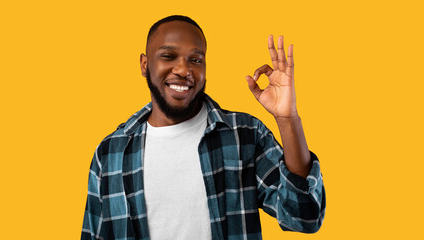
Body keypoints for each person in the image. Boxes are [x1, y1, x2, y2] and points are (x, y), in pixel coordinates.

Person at [81, 15, 325, 240]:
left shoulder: (244, 135)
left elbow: (305, 218)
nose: (184, 70)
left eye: (195, 60)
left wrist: (287, 119)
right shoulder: (111, 152)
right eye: (168, 56)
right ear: (145, 64)